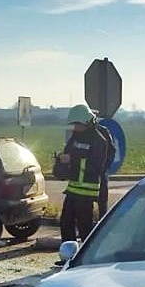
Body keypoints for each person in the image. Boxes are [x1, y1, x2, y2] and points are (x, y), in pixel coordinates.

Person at [58, 103, 111, 242]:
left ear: (88, 122)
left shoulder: (99, 140)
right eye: (74, 124)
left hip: (87, 191)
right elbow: (69, 152)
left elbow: (96, 165)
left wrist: (72, 158)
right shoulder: (76, 136)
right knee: (65, 222)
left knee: (85, 227)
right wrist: (61, 161)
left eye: (78, 124)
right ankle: (68, 254)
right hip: (73, 189)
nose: (75, 127)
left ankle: (83, 258)